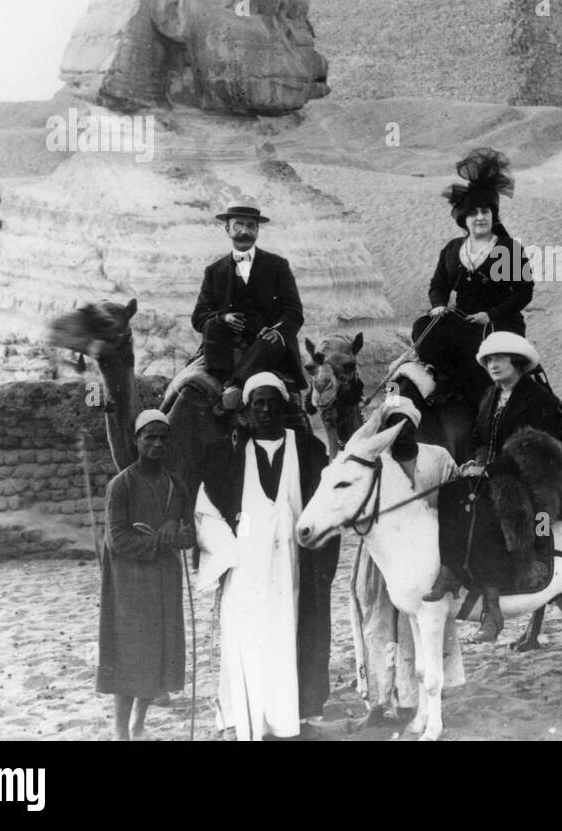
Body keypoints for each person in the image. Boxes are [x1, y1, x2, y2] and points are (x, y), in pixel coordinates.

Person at [193, 372, 337, 740]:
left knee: (289, 635)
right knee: (246, 638)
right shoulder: (228, 451)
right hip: (244, 566)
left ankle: (287, 718)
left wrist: (321, 564)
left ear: (284, 407)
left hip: (293, 565)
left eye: (273, 402)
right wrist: (226, 555)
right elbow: (205, 510)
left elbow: (327, 509)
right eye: (259, 403)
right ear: (247, 410)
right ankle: (241, 718)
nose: (267, 410)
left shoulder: (308, 449)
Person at [425, 332, 562, 642]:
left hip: (534, 477)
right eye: (489, 360)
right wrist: (472, 462)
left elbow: (538, 450)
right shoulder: (489, 396)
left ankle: (492, 610)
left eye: (499, 359)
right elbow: (480, 438)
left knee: (493, 511)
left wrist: (490, 468)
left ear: (517, 363)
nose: (492, 366)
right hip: (494, 471)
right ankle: (452, 569)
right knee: (452, 492)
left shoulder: (539, 399)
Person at [350, 396, 467, 723]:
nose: (399, 429)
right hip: (382, 557)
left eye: (405, 422)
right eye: (391, 423)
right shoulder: (375, 461)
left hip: (427, 556)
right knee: (380, 624)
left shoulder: (437, 456)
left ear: (415, 423)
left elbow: (458, 495)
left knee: (426, 626)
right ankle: (380, 700)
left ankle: (422, 702)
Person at [96, 409, 195, 741]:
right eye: (149, 437)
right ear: (136, 440)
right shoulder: (121, 485)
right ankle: (120, 732)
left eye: (163, 437)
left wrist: (177, 531)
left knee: (158, 653)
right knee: (130, 655)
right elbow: (117, 539)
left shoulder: (175, 484)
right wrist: (159, 539)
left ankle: (139, 724)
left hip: (165, 580)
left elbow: (188, 533)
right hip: (130, 583)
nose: (157, 443)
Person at [413, 149, 533, 416]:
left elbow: (524, 292)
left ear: (493, 215)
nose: (480, 217)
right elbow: (438, 285)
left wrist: (490, 314)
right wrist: (439, 305)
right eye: (474, 213)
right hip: (462, 319)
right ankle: (445, 381)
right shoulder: (453, 249)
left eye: (485, 211)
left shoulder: (507, 249)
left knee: (483, 353)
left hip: (499, 323)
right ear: (464, 220)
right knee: (422, 327)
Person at [192, 204, 307, 411]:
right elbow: (199, 316)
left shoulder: (278, 266)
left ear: (257, 230)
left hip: (265, 344)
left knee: (268, 341)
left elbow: (294, 311)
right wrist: (222, 318)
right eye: (238, 225)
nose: (244, 231)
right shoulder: (214, 271)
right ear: (227, 229)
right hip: (226, 344)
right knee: (213, 326)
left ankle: (234, 386)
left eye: (250, 226)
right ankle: (223, 381)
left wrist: (277, 331)